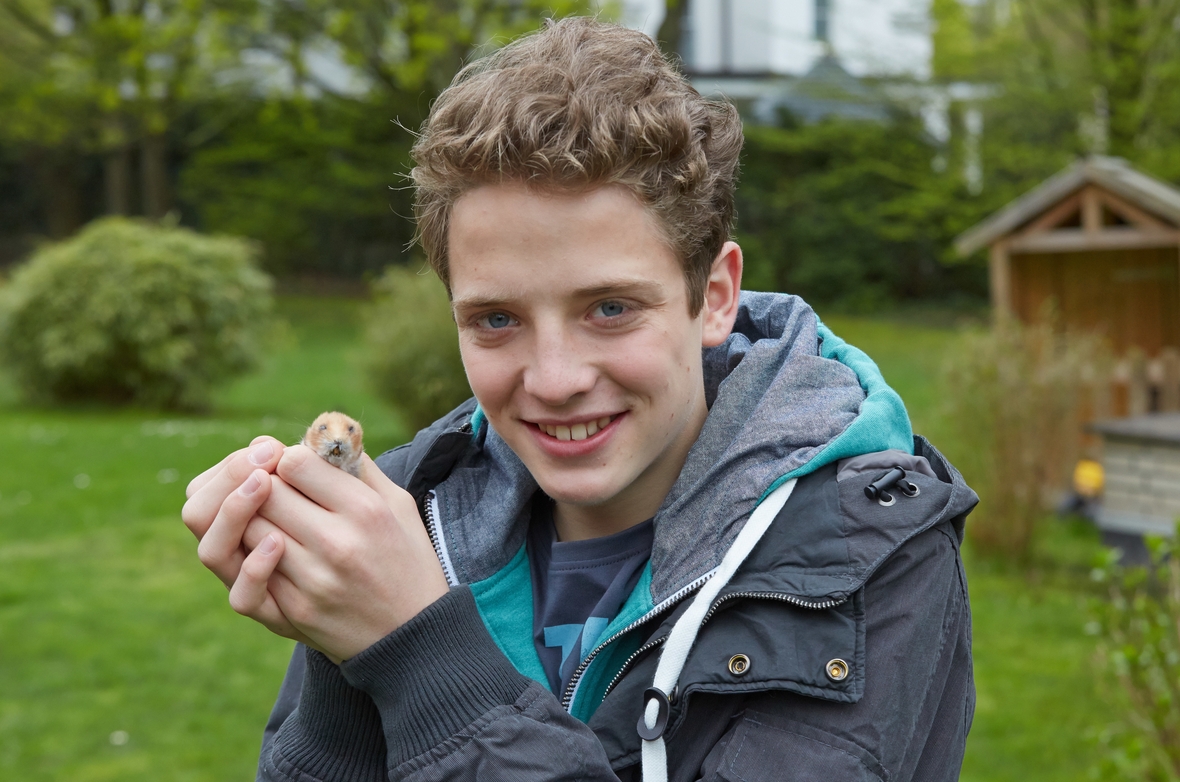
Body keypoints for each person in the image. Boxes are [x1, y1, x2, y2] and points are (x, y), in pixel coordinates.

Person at [182, 17, 977, 782]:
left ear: (714, 297)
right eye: (497, 319)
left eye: (610, 309)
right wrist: (342, 634)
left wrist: (412, 647)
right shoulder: (407, 515)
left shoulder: (871, 554)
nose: (555, 378)